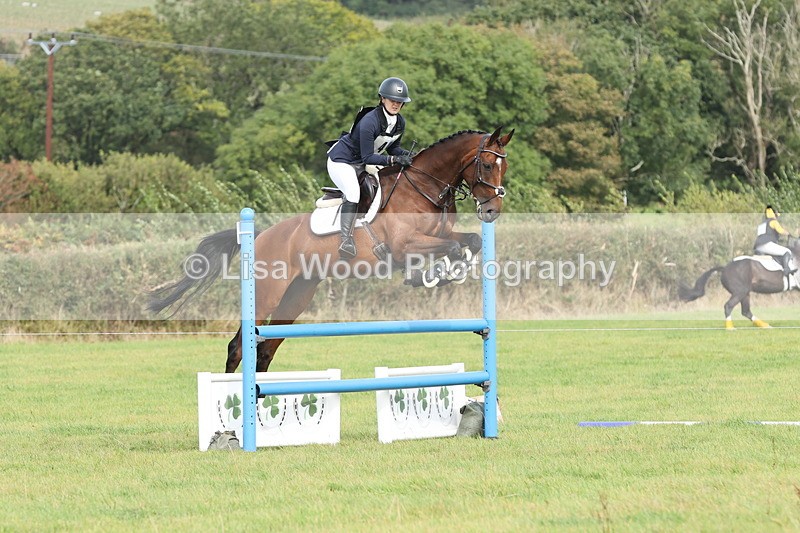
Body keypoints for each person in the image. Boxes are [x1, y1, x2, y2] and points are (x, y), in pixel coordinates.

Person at [326, 77, 415, 259]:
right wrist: (394, 160)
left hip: (363, 162)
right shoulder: (370, 121)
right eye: (392, 100)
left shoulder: (400, 122)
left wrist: (410, 155)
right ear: (382, 98)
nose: (396, 104)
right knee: (353, 193)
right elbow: (368, 157)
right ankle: (346, 240)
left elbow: (393, 148)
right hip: (343, 161)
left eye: (399, 101)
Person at [754, 205, 796, 275]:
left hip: (758, 247)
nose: (777, 218)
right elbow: (780, 231)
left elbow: (764, 235)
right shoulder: (773, 222)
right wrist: (789, 234)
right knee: (787, 251)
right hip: (766, 245)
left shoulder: (762, 224)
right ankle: (786, 269)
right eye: (776, 216)